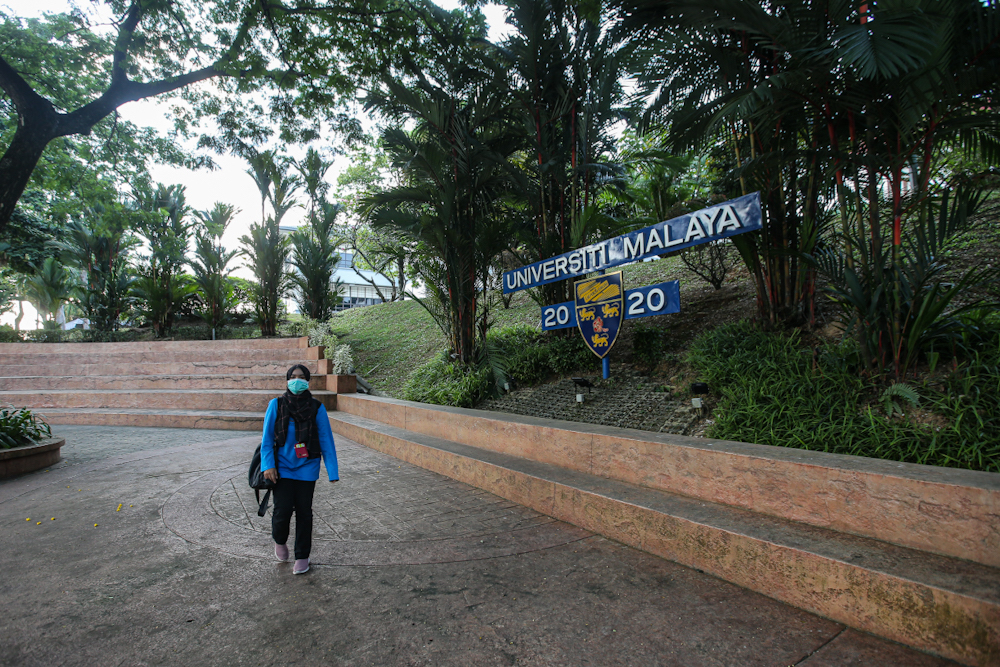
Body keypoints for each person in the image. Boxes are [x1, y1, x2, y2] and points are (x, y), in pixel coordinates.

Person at [260, 364, 339, 575]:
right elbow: (267, 439)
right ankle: (280, 540)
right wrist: (268, 465)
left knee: (305, 513)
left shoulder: (316, 407)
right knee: (282, 511)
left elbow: (325, 439)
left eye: (301, 377)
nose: (297, 381)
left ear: (308, 381)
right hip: (282, 468)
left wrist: (332, 471)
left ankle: (302, 556)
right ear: (287, 380)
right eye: (293, 377)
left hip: (307, 466)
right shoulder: (276, 405)